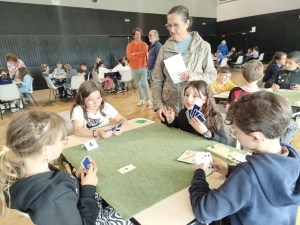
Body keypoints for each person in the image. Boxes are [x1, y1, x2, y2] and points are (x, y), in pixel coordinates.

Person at [0, 109, 132, 225]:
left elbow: (58, 185)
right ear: (45, 149)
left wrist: (75, 178)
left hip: (76, 202)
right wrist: (88, 189)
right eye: (62, 139)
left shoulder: (29, 169)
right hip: (90, 216)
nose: (63, 142)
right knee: (131, 210)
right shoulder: (53, 198)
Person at [189, 91, 300, 225]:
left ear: (255, 137)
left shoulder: (247, 174)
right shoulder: (294, 159)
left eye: (235, 132)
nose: (234, 135)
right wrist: (231, 170)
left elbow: (204, 211)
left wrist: (198, 175)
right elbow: (271, 177)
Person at [152, 5, 217, 121]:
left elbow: (212, 75)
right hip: (170, 109)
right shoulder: (164, 48)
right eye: (169, 25)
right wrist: (158, 105)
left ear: (187, 23)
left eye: (176, 25)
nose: (172, 30)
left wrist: (195, 76)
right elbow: (157, 79)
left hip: (195, 107)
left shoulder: (203, 46)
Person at [163, 81, 228, 144]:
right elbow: (176, 124)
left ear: (205, 100)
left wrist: (206, 132)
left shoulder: (214, 116)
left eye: (195, 96)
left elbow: (224, 141)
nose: (188, 99)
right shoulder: (183, 113)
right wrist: (170, 120)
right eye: (187, 95)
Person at [126, 28, 153, 108]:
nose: (138, 36)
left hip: (143, 67)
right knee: (138, 84)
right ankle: (141, 99)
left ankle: (148, 99)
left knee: (145, 83)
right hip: (134, 68)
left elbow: (144, 53)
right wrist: (138, 56)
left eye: (139, 34)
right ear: (134, 36)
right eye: (136, 34)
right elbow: (129, 56)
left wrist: (135, 54)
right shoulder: (129, 45)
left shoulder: (144, 44)